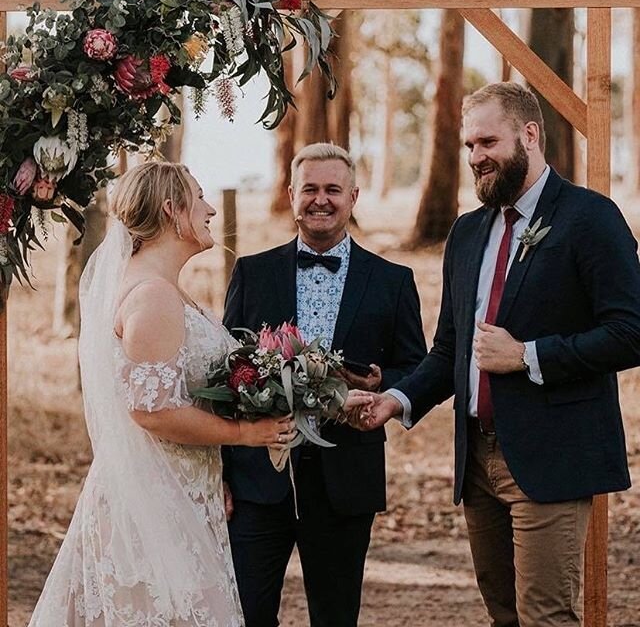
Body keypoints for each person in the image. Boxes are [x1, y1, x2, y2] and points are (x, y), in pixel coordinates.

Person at [355, 83, 640, 627]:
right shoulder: (467, 232)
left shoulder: (590, 217)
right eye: (468, 145)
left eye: (487, 141)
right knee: (504, 616)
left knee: (545, 616)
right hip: (478, 461)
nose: (475, 157)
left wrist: (529, 356)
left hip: (551, 456)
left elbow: (631, 330)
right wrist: (396, 399)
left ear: (529, 135)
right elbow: (450, 351)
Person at [27, 161, 301, 626]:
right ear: (173, 210)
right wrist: (247, 433)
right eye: (199, 198)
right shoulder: (152, 296)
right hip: (151, 497)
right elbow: (152, 412)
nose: (211, 209)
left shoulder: (165, 289)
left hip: (183, 486)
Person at [222, 142, 427, 627]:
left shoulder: (392, 280)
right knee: (243, 614)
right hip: (258, 482)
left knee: (335, 618)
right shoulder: (252, 272)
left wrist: (382, 388)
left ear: (353, 196)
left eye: (333, 189)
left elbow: (417, 368)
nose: (321, 199)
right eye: (309, 189)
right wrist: (222, 473)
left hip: (345, 478)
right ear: (291, 194)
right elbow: (227, 374)